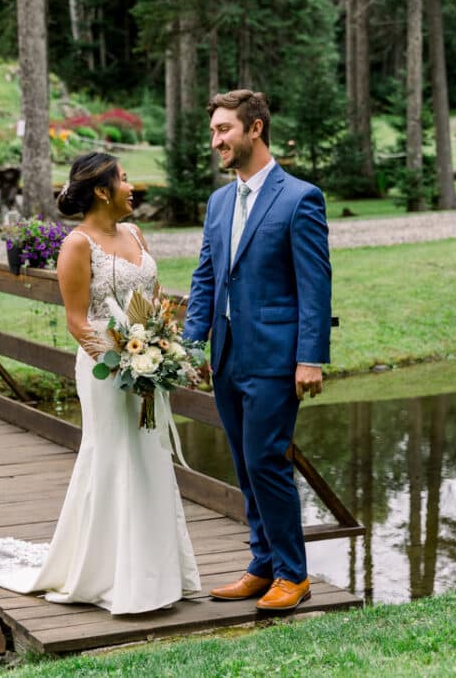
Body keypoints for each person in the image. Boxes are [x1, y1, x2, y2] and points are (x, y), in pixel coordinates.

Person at [0, 153, 200, 614]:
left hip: (146, 360)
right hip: (106, 371)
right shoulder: (77, 245)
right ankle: (109, 575)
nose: (131, 187)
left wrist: (162, 350)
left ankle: (158, 575)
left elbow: (154, 302)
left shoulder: (136, 234)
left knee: (149, 457)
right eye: (123, 180)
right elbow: (77, 322)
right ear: (102, 191)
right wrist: (123, 361)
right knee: (114, 457)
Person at [184, 90, 332, 612]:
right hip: (226, 357)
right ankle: (261, 565)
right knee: (245, 465)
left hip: (274, 356)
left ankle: (294, 574)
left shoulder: (300, 198)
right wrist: (190, 343)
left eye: (224, 130)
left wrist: (309, 358)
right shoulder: (219, 202)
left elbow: (315, 286)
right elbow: (206, 276)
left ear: (255, 128)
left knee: (267, 460)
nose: (216, 141)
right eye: (213, 132)